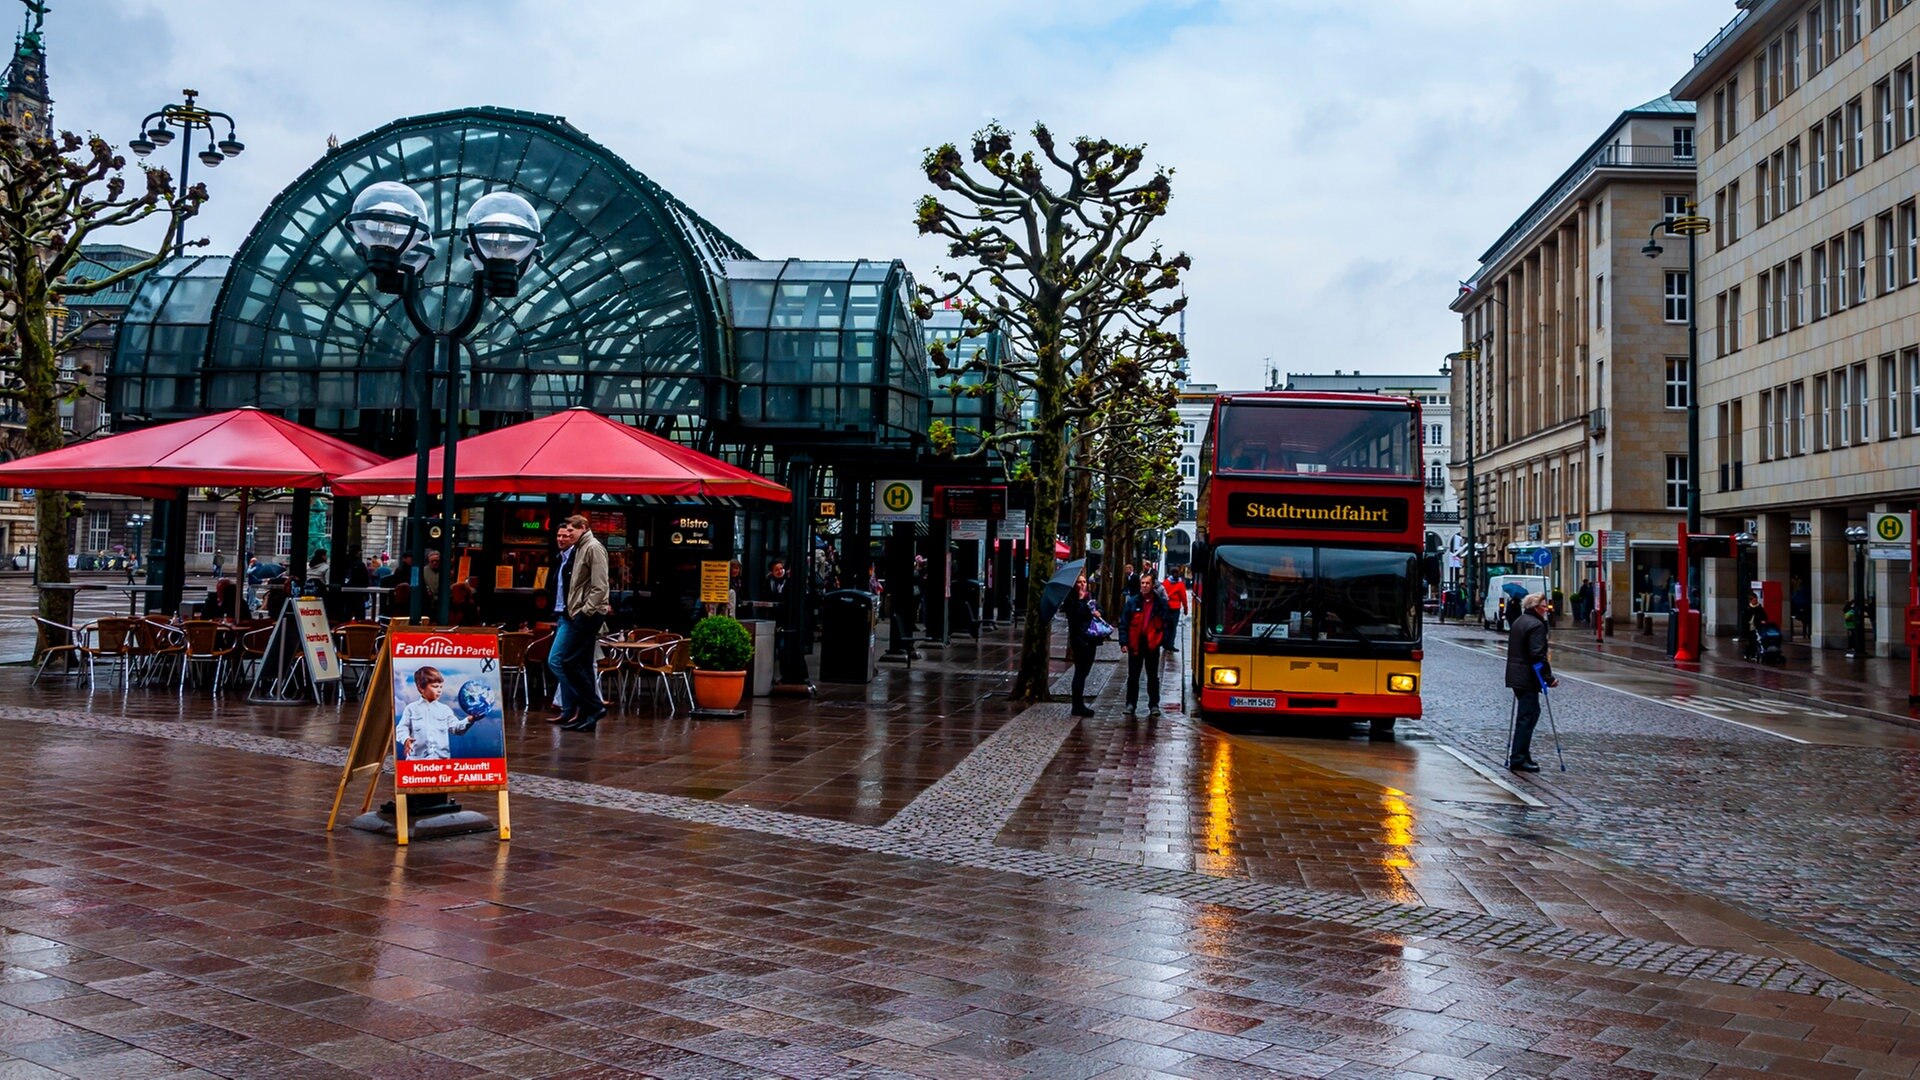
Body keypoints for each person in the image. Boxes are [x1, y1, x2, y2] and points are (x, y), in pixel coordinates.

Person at [549, 515, 611, 731]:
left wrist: (586, 611)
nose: (568, 535)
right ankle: (586, 714)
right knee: (580, 662)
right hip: (577, 612)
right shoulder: (580, 548)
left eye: (572, 532)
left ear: (583, 529)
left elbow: (600, 585)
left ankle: (593, 706)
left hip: (586, 613)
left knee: (569, 661)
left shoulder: (593, 548)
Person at [1504, 592, 1557, 772]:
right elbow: (1537, 655)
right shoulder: (1536, 625)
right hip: (1526, 677)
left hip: (1517, 675)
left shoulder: (1520, 621)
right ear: (1535, 607)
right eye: (1544, 606)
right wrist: (1548, 679)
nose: (1546, 609)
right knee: (1528, 716)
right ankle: (1519, 757)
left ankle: (1522, 754)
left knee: (1528, 714)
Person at [1119, 573, 1173, 718]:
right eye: (1142, 583)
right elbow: (1124, 623)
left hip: (1152, 645)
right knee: (1133, 676)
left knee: (1152, 676)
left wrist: (1164, 642)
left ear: (1153, 585)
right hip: (1135, 644)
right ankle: (1130, 704)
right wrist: (1124, 642)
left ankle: (1154, 705)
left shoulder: (1160, 603)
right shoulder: (1133, 602)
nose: (1144, 586)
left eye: (1147, 583)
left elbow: (1167, 624)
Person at [395, 665, 474, 761]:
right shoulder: (411, 709)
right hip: (417, 763)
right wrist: (405, 739)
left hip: (441, 763)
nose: (439, 690)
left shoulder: (445, 709)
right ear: (421, 688)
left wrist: (469, 720)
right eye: (435, 687)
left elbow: (456, 729)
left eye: (441, 686)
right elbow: (401, 728)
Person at [1060, 573, 1101, 717]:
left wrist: (1097, 612)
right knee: (1080, 672)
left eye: (1084, 582)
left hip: (1091, 639)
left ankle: (1079, 703)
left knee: (1085, 672)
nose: (1083, 584)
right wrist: (1083, 603)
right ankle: (1077, 705)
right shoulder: (1071, 600)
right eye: (1079, 582)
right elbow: (1075, 616)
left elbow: (1099, 609)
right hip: (1079, 640)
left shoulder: (1090, 597)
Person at [1161, 570, 1187, 651]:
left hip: (1166, 606)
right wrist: (1186, 608)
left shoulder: (1166, 582)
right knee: (1173, 626)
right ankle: (1170, 644)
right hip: (1175, 607)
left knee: (1166, 625)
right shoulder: (1180, 584)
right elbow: (1183, 597)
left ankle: (1165, 643)